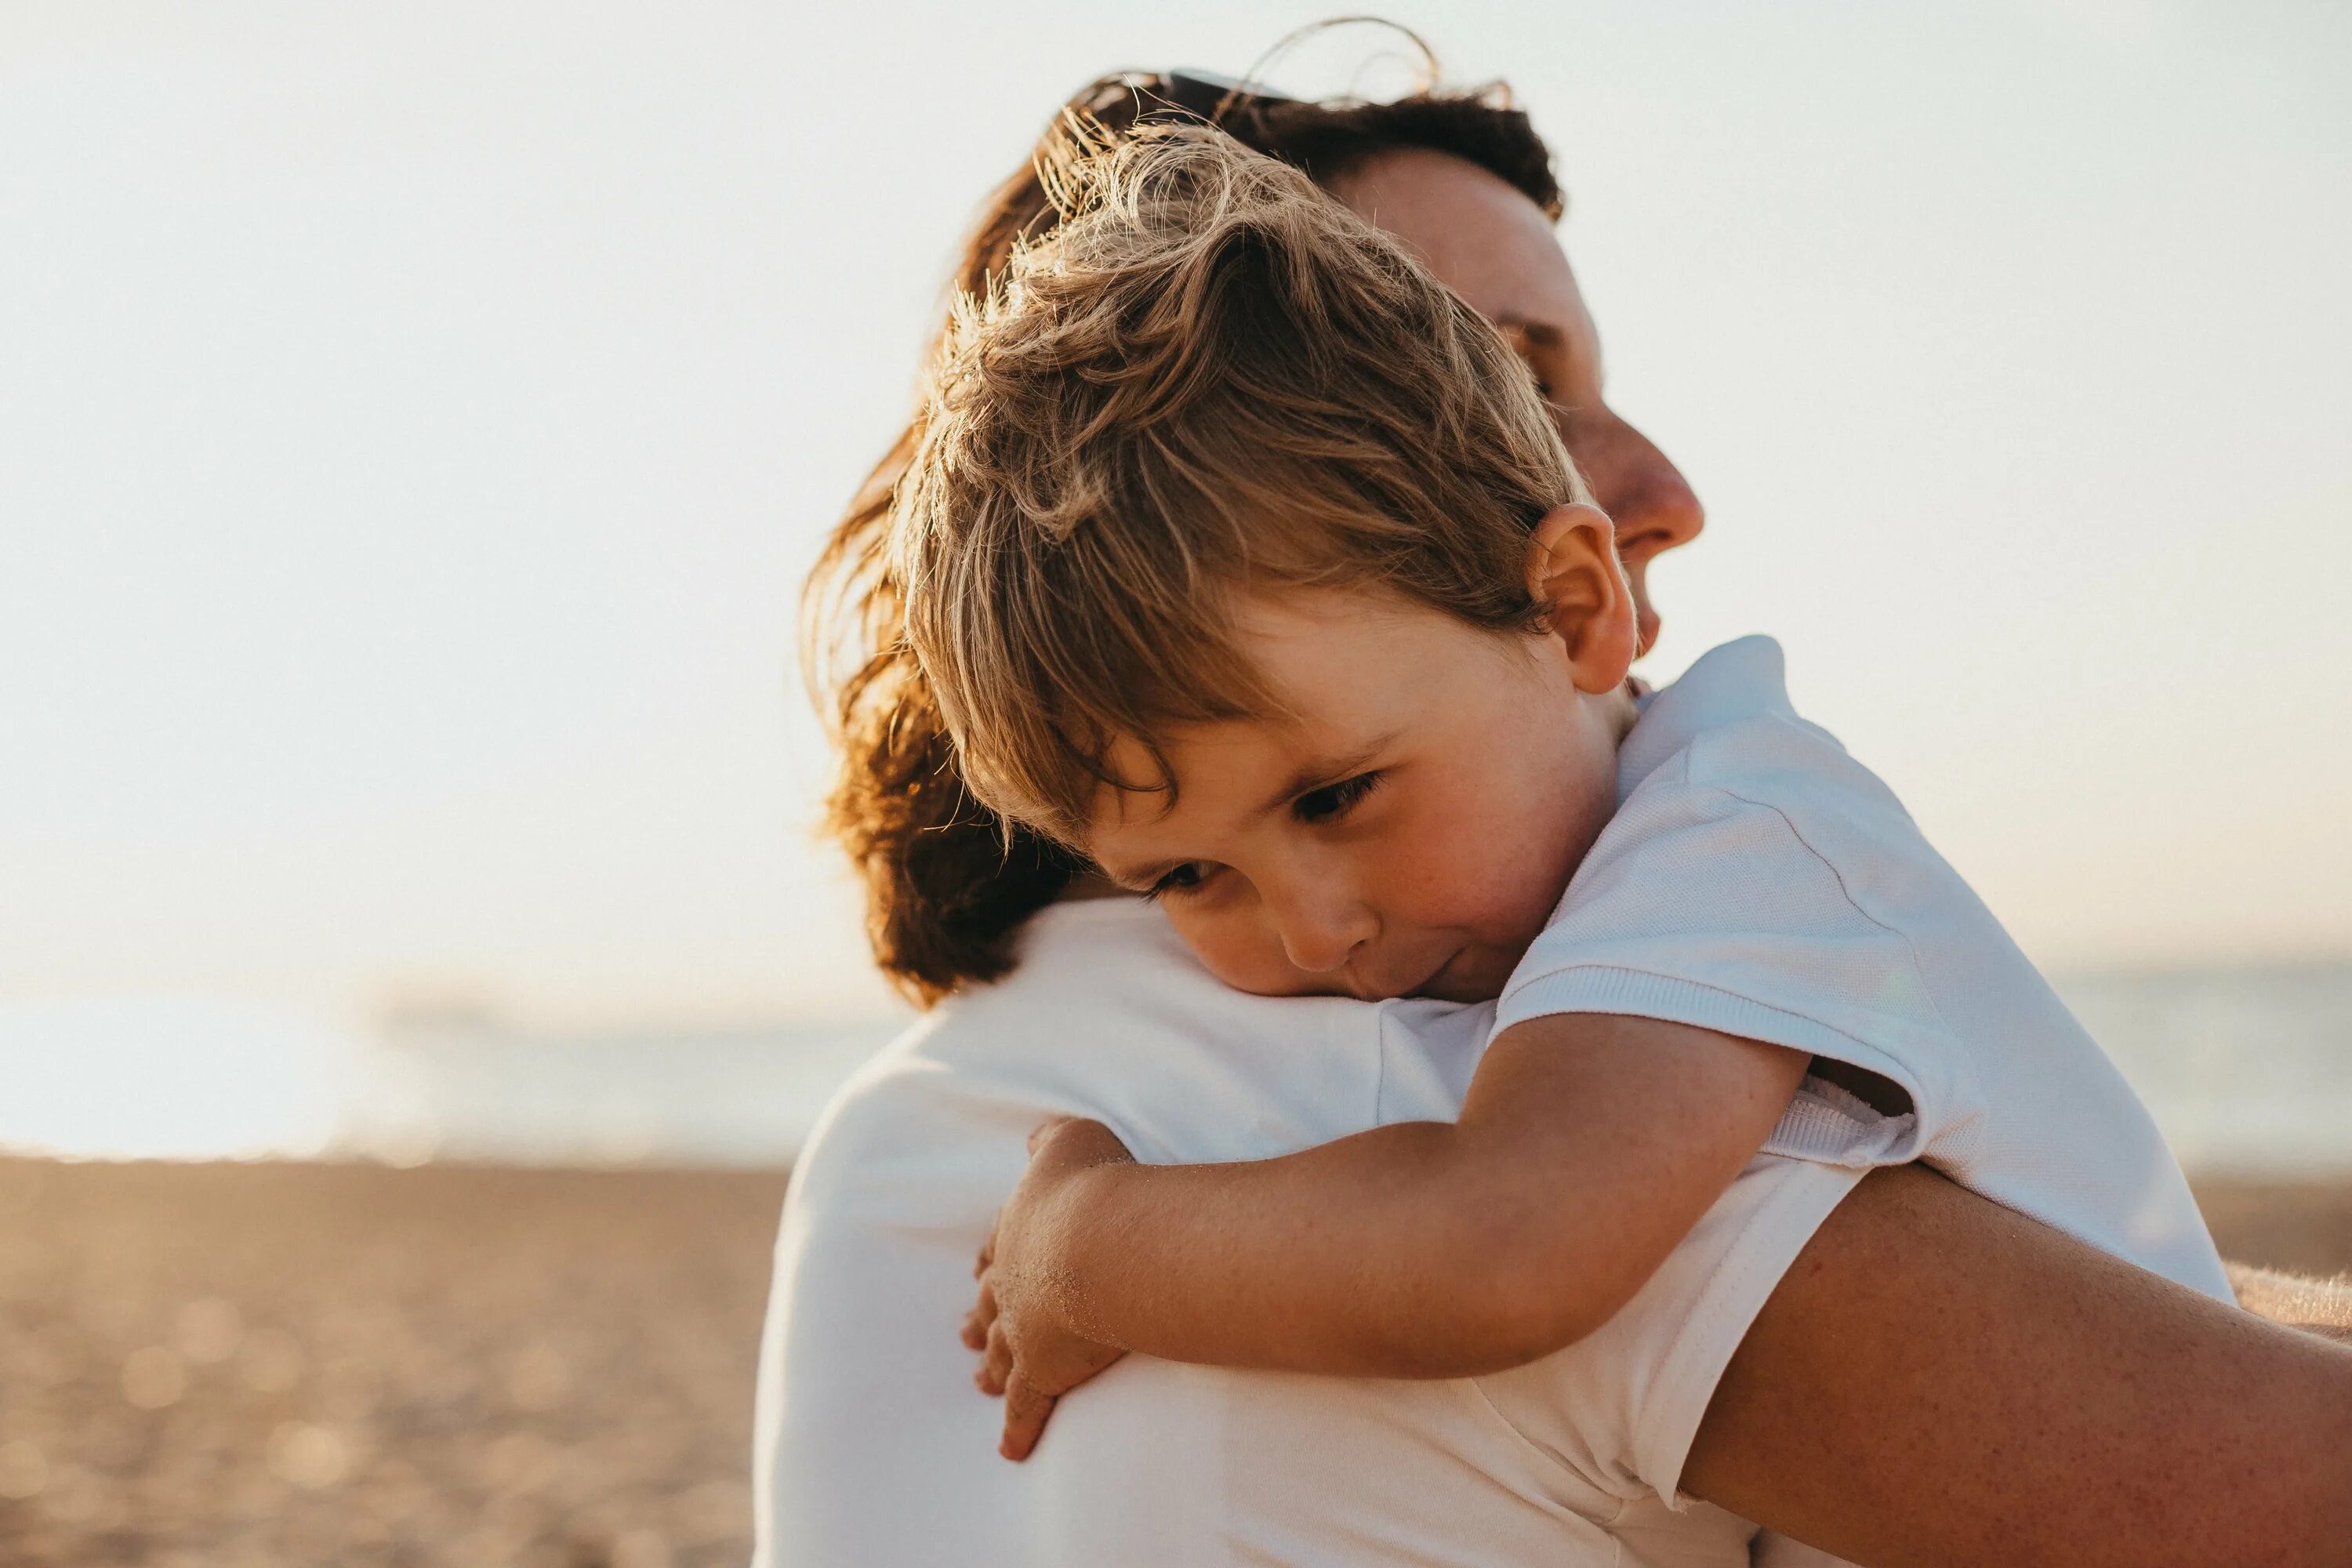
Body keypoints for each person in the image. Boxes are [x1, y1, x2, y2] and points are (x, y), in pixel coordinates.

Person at [757, 67, 2352, 1568]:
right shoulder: (1408, 1079)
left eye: (1336, 798)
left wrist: (1089, 1241)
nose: (1664, 485)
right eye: (1500, 371)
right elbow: (2288, 1481)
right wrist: (1088, 1240)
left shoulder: (919, 1121)